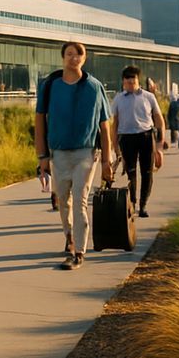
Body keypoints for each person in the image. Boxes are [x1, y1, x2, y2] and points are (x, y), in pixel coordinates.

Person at [34, 41, 112, 270]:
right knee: (63, 201)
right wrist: (42, 156)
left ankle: (79, 252)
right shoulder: (50, 86)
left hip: (85, 153)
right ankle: (69, 237)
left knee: (80, 199)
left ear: (84, 59)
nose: (74, 58)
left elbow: (105, 126)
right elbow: (40, 120)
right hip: (58, 153)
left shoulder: (95, 87)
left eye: (79, 54)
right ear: (63, 58)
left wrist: (107, 161)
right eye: (69, 54)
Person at [110, 65, 165, 218]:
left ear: (137, 80)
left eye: (132, 82)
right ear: (122, 82)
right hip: (127, 138)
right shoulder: (119, 99)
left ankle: (143, 204)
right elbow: (114, 123)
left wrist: (160, 145)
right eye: (126, 82)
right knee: (131, 172)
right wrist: (114, 146)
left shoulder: (148, 97)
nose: (129, 85)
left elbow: (159, 120)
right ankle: (132, 202)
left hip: (146, 136)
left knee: (147, 172)